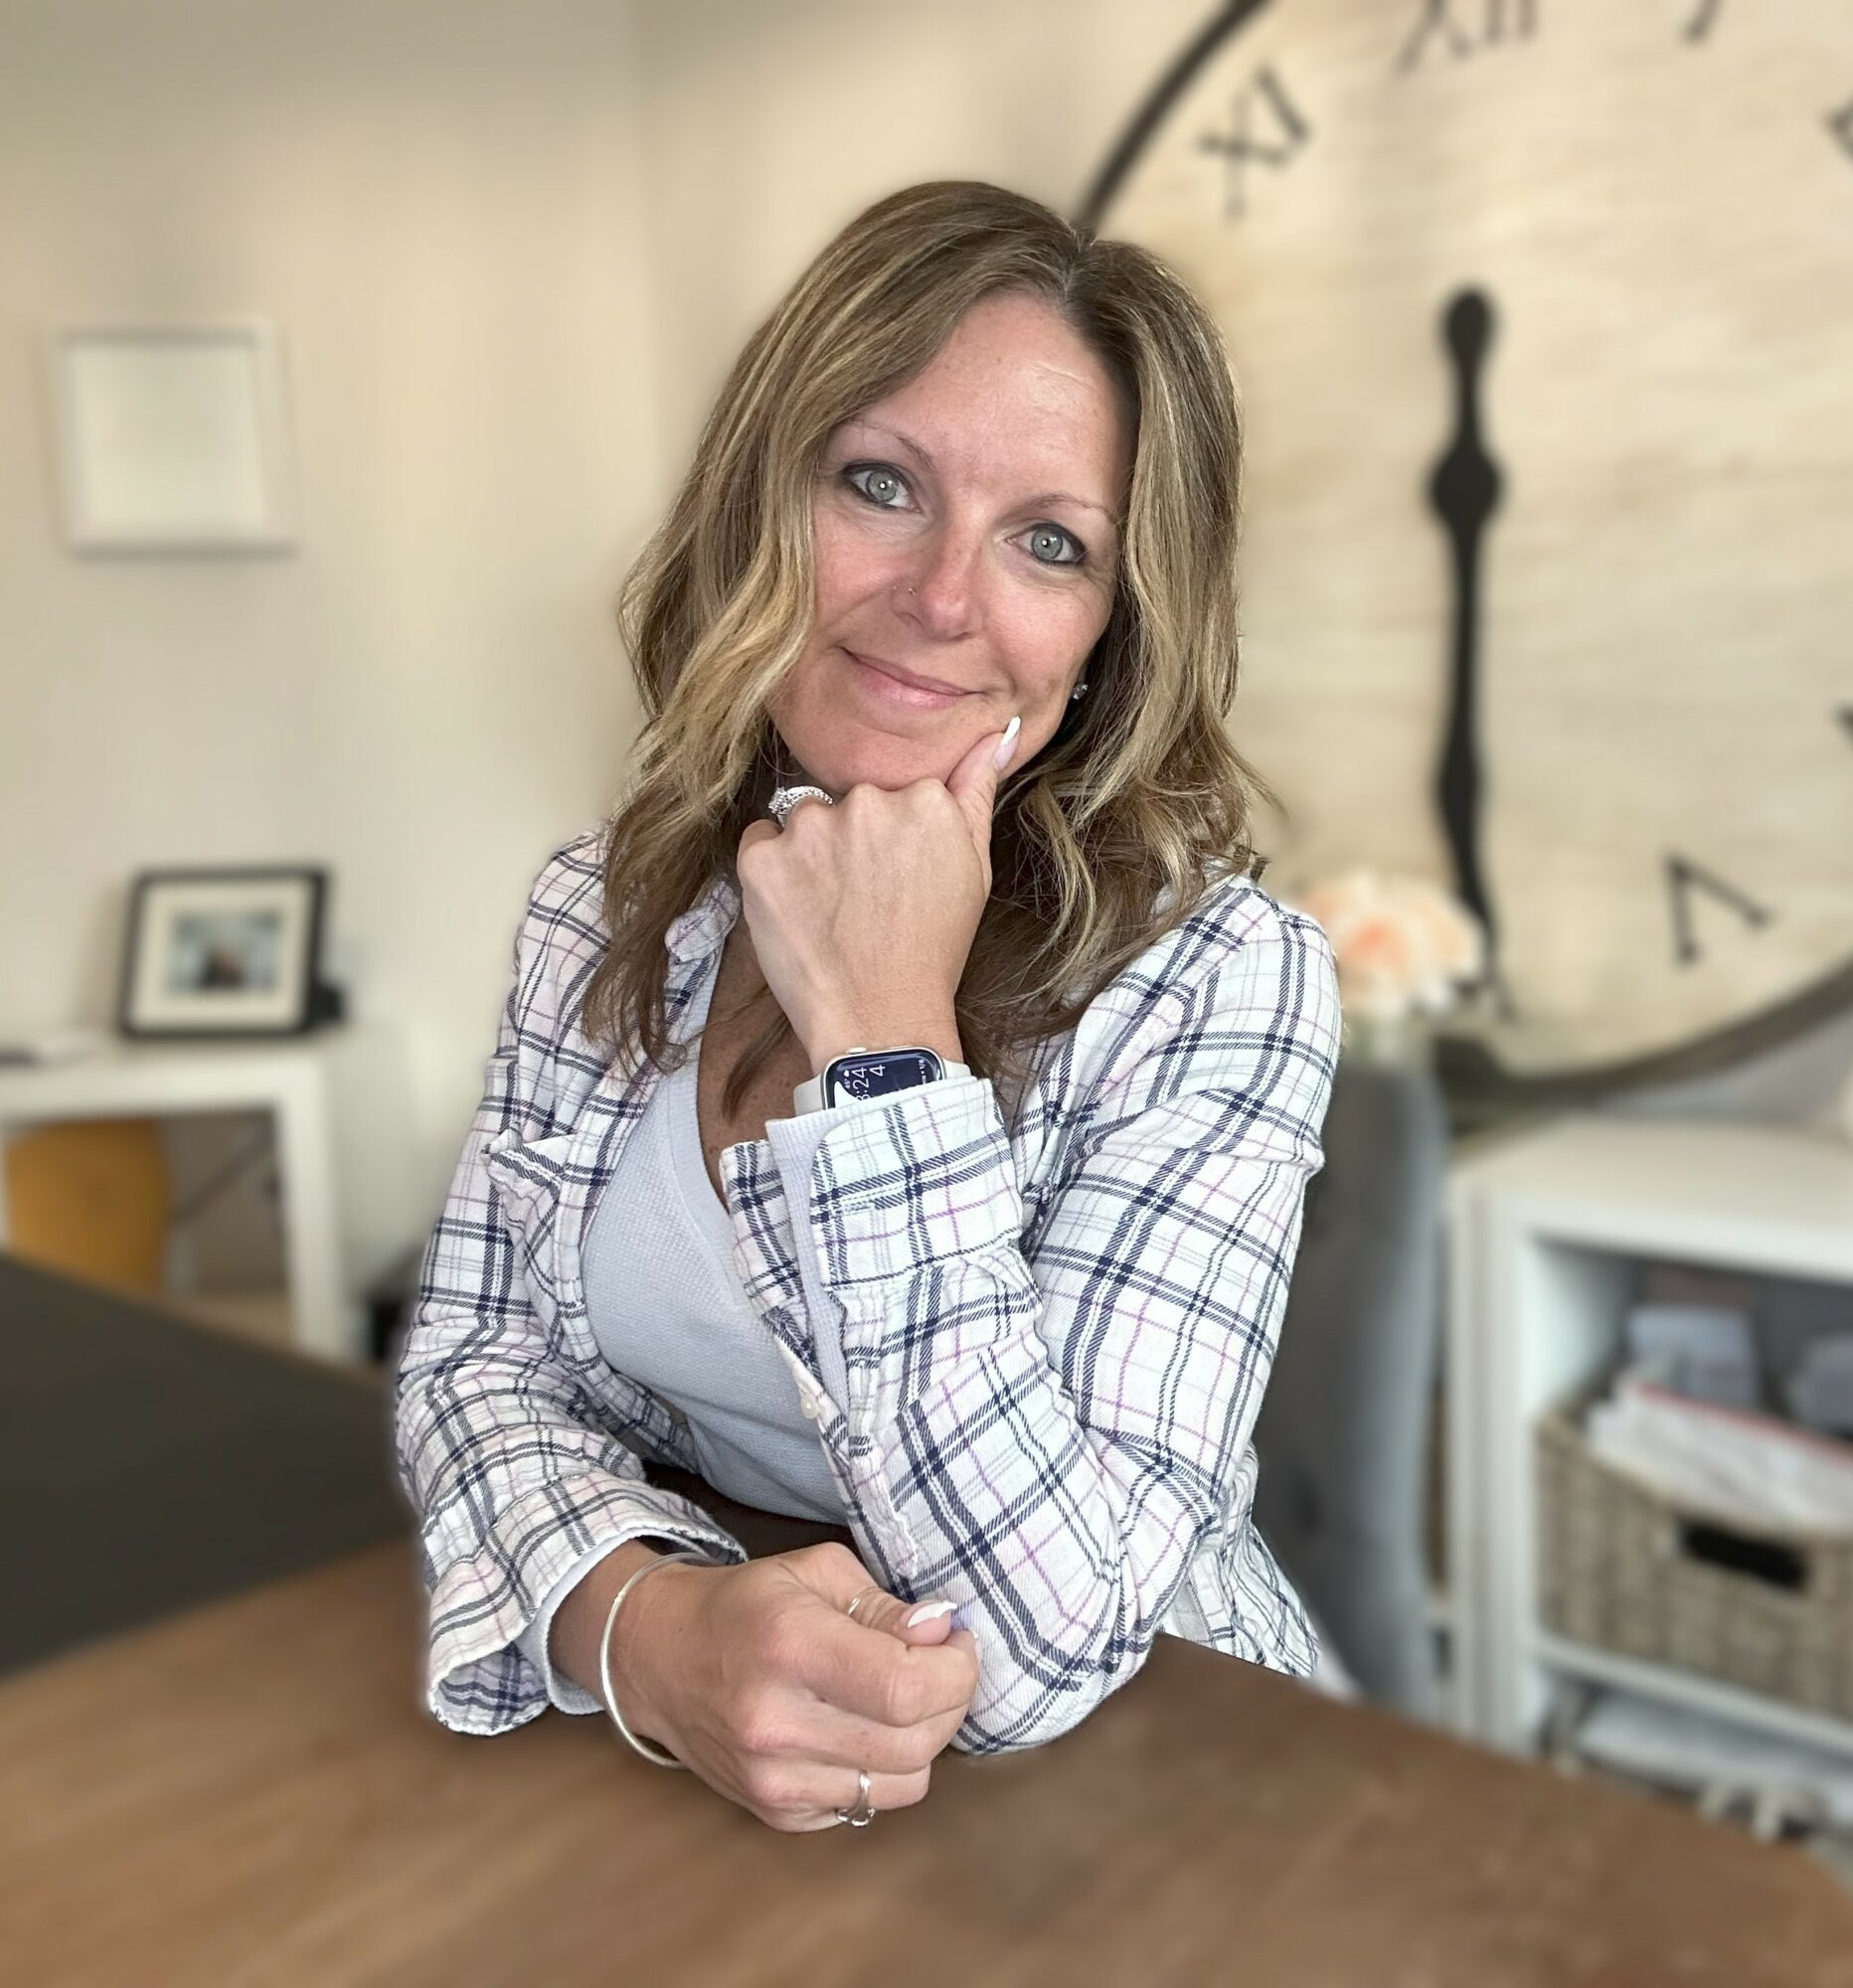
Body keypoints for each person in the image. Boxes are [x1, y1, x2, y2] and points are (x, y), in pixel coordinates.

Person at [393, 179, 1342, 1835]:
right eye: (881, 484)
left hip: (1166, 1793)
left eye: (1050, 541)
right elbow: (477, 1358)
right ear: (766, 497)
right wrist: (637, 1624)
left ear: (1114, 629)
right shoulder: (602, 906)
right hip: (745, 1767)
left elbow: (1047, 1650)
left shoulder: (1220, 978)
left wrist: (887, 1049)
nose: (945, 600)